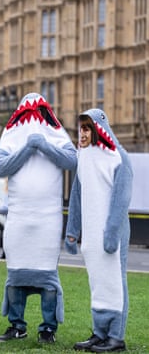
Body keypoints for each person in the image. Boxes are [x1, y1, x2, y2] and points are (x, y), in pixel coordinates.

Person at [0, 92, 77, 344]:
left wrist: (43, 144)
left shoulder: (56, 134)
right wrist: (29, 147)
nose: (32, 117)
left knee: (46, 275)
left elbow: (72, 160)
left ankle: (47, 329)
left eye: (37, 111)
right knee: (16, 274)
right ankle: (17, 325)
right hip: (19, 217)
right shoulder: (11, 136)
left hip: (47, 219)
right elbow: (1, 167)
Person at [65, 109, 132, 352]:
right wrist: (72, 231)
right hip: (91, 235)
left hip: (111, 234)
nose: (81, 133)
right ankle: (99, 332)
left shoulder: (118, 157)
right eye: (79, 128)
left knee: (114, 281)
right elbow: (77, 194)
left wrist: (112, 233)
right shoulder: (83, 155)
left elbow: (121, 198)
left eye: (86, 128)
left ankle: (116, 337)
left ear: (97, 128)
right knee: (97, 283)